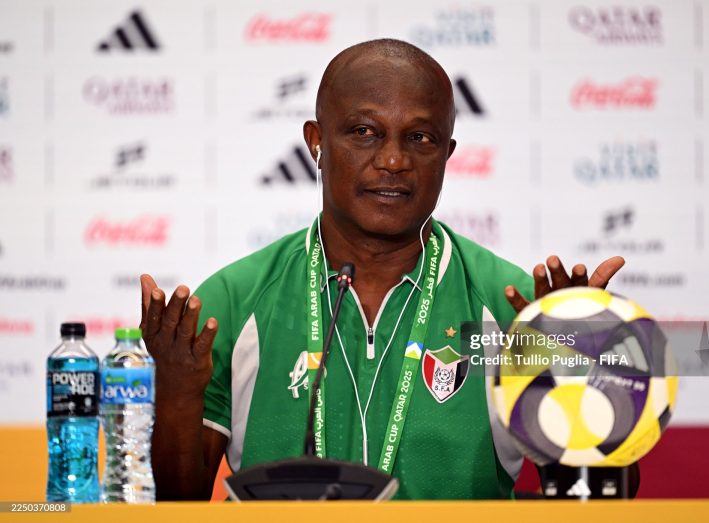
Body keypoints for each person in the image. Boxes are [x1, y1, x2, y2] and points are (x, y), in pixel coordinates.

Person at [139, 39, 624, 500]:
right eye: (364, 132)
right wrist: (178, 394)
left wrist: (581, 384)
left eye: (420, 138)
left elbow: (600, 499)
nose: (394, 160)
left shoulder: (510, 303)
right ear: (317, 143)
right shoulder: (233, 300)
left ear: (447, 155)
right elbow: (181, 505)